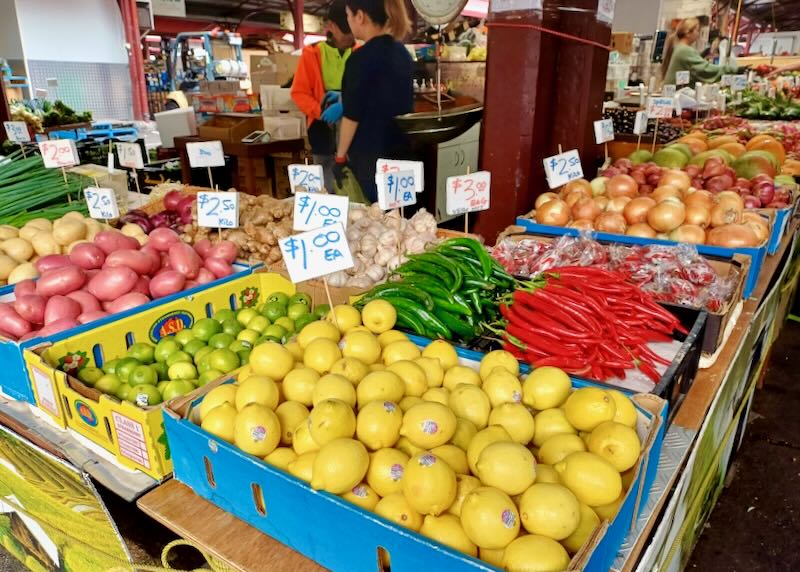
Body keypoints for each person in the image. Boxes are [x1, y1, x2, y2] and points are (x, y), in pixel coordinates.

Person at [333, 0, 414, 202]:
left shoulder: (360, 59)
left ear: (360, 17)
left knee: (375, 222)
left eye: (348, 16)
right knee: (402, 217)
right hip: (403, 153)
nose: (349, 21)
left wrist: (340, 157)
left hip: (371, 158)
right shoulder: (402, 53)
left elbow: (352, 115)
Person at [291, 0, 355, 192]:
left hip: (353, 123)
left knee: (352, 176)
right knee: (326, 179)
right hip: (321, 128)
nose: (349, 36)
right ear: (331, 26)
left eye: (352, 30)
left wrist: (345, 101)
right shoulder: (312, 54)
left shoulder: (359, 52)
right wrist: (320, 111)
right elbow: (299, 92)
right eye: (345, 31)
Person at [662, 18, 740, 85]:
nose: (698, 34)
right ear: (688, 33)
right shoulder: (685, 50)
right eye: (697, 31)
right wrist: (733, 70)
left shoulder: (680, 48)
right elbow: (705, 69)